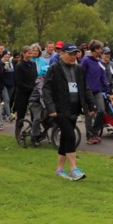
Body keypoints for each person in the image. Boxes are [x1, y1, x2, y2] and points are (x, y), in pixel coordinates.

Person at [42, 44, 94, 181]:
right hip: (60, 109)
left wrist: (91, 105)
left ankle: (59, 169)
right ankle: (73, 169)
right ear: (62, 53)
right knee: (70, 136)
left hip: (74, 108)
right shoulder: (54, 68)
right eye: (70, 54)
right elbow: (46, 89)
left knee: (65, 138)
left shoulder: (78, 69)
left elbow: (85, 88)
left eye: (75, 54)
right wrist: (50, 108)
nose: (73, 57)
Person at [80, 40, 108, 145]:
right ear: (95, 49)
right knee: (89, 114)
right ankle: (89, 136)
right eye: (100, 49)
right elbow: (81, 75)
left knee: (101, 111)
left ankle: (95, 132)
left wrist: (107, 89)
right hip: (87, 92)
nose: (101, 50)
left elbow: (103, 76)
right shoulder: (85, 60)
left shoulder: (99, 61)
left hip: (97, 91)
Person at [13, 45, 38, 141]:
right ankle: (18, 133)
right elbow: (19, 82)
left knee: (34, 113)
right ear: (23, 53)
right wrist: (30, 88)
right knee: (21, 114)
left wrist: (35, 88)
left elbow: (35, 76)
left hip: (32, 93)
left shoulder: (33, 64)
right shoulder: (19, 66)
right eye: (28, 53)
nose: (30, 55)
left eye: (31, 53)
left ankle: (34, 133)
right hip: (22, 93)